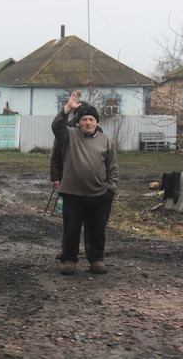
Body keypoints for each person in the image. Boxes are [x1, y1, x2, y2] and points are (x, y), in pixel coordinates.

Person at [51, 90, 118, 275]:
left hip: (99, 195)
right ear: (78, 122)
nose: (88, 123)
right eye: (84, 120)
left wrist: (111, 189)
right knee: (71, 230)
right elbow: (56, 126)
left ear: (97, 123)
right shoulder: (69, 136)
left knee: (97, 230)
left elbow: (112, 167)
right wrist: (66, 109)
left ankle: (96, 259)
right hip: (73, 193)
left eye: (91, 120)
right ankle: (69, 260)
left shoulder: (106, 141)